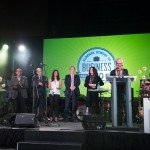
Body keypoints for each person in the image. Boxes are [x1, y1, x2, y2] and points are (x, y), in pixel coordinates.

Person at [110, 58, 129, 126]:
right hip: (116, 91)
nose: (119, 65)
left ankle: (128, 123)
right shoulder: (112, 72)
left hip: (124, 91)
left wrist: (122, 76)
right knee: (117, 108)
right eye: (118, 63)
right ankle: (119, 123)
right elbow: (110, 81)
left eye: (120, 63)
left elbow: (127, 79)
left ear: (122, 64)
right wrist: (115, 76)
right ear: (116, 64)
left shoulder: (125, 71)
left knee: (126, 107)